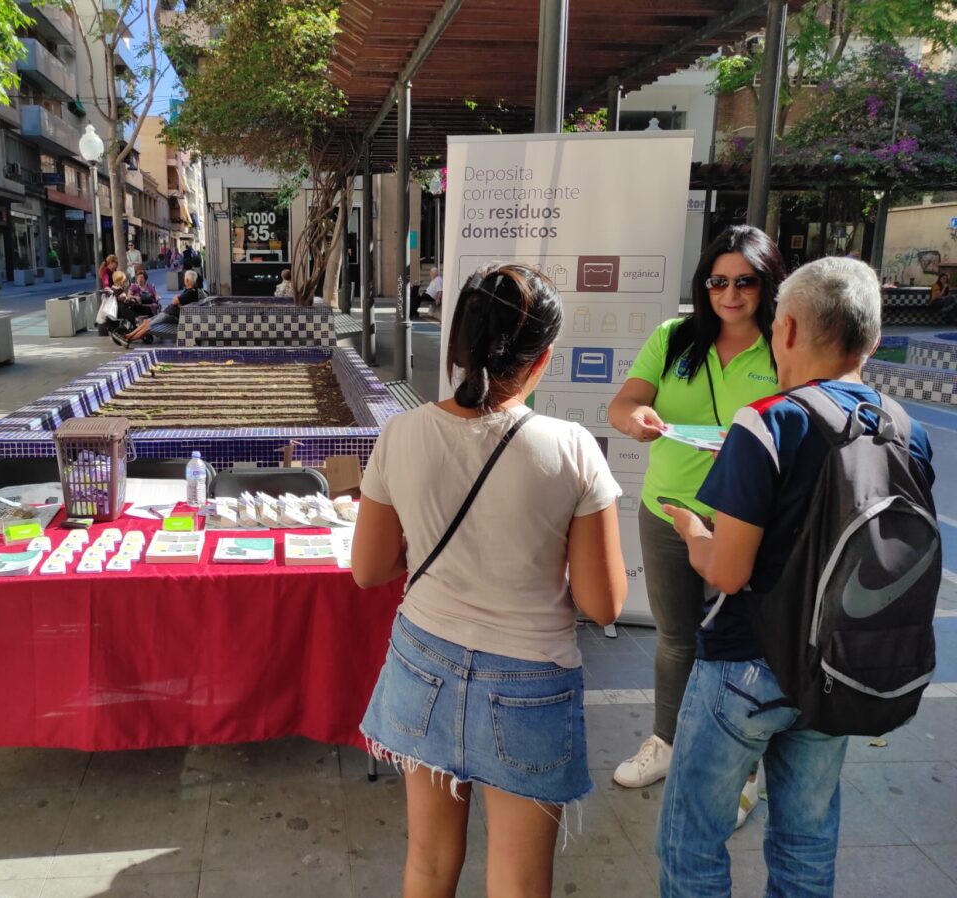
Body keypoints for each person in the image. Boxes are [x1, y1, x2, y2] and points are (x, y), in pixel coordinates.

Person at [655, 256, 934, 897]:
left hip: (745, 668)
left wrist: (692, 532)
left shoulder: (770, 420)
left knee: (693, 835)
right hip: (838, 667)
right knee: (806, 842)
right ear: (872, 340)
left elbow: (728, 570)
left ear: (786, 331)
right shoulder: (906, 430)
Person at [351, 263, 628, 898]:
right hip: (530, 679)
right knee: (520, 880)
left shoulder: (402, 434)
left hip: (421, 662)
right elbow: (603, 602)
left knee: (427, 862)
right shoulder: (573, 449)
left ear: (457, 344)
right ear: (545, 357)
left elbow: (368, 569)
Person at [607, 225, 785, 828]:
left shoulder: (786, 346)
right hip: (667, 508)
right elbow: (622, 404)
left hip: (749, 518)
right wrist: (638, 418)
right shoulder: (674, 337)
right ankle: (666, 740)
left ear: (767, 284)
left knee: (747, 643)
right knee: (676, 637)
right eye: (717, 281)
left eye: (745, 282)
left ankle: (746, 768)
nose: (730, 294)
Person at [114, 269, 201, 347]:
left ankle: (128, 338)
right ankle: (128, 336)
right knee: (146, 322)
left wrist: (177, 300)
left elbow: (175, 301)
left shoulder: (191, 292)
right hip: (169, 313)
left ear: (187, 280)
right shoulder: (192, 291)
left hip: (170, 315)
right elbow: (176, 301)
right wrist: (177, 301)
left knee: (148, 326)